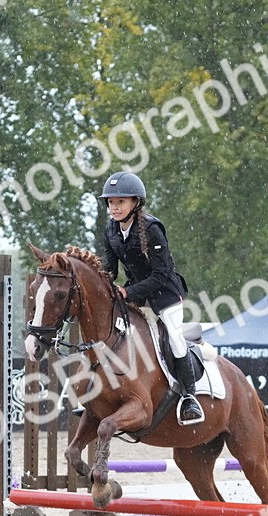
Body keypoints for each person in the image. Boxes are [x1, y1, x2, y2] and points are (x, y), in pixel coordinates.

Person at [100, 171, 204, 425]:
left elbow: (161, 274)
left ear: (135, 202)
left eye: (120, 202)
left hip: (166, 295)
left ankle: (190, 397)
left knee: (175, 339)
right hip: (135, 293)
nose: (115, 207)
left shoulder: (153, 229)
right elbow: (110, 268)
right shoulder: (111, 230)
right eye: (111, 202)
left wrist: (129, 292)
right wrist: (102, 282)